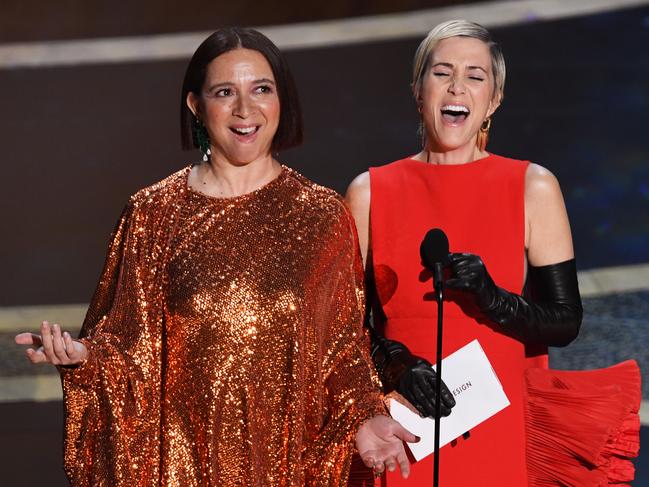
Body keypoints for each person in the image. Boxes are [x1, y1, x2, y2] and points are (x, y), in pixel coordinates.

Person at [15, 27, 417, 486]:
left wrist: (365, 416)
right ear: (196, 106)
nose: (245, 110)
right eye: (225, 92)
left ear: (281, 99)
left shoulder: (321, 216)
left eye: (261, 89)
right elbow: (129, 352)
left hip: (288, 469)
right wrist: (83, 359)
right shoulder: (153, 213)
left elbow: (344, 354)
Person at [346, 20, 639, 486]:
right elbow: (345, 326)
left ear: (494, 101)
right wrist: (397, 365)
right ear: (418, 90)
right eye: (442, 73)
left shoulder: (532, 186)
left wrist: (492, 298)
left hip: (500, 432)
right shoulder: (368, 193)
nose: (457, 85)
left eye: (475, 76)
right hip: (405, 431)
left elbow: (564, 320)